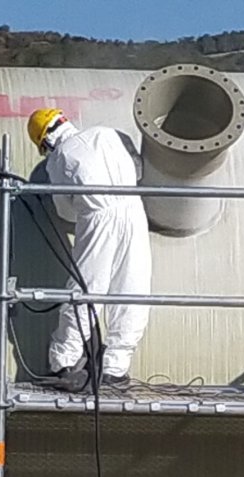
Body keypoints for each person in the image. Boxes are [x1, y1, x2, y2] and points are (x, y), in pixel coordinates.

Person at [26, 108, 151, 390]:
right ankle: (115, 368)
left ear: (44, 141)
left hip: (97, 218)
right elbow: (137, 166)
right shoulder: (107, 133)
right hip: (134, 211)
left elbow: (63, 210)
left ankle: (63, 363)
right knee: (132, 289)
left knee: (84, 289)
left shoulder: (58, 158)